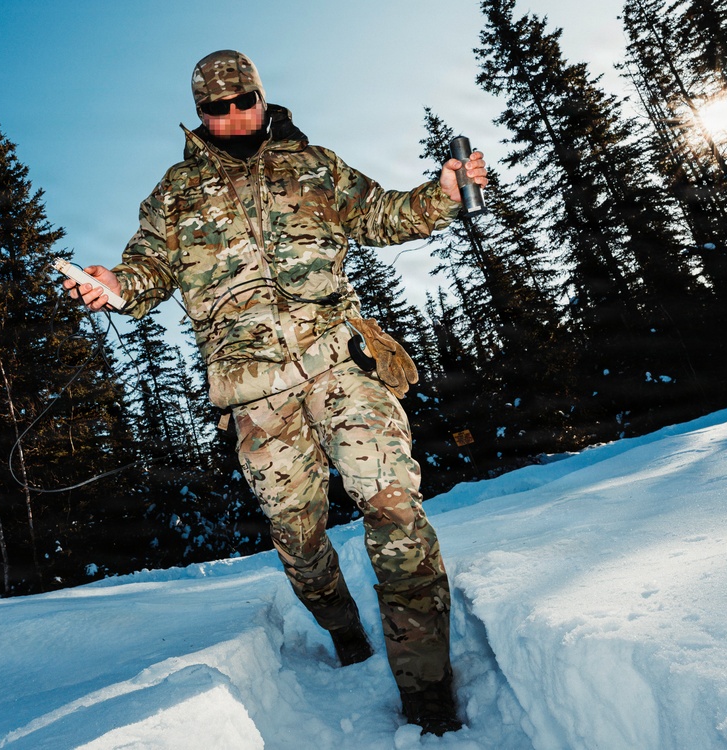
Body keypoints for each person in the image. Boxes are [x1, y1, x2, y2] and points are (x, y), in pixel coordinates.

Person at [64, 49, 488, 735]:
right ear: (200, 115)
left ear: (262, 98)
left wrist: (442, 191)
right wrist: (111, 286)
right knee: (297, 534)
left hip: (339, 361)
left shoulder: (315, 165)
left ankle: (427, 688)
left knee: (393, 508)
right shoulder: (174, 194)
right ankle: (344, 627)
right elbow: (142, 273)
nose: (233, 117)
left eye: (243, 101)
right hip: (253, 391)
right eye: (216, 108)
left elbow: (384, 215)